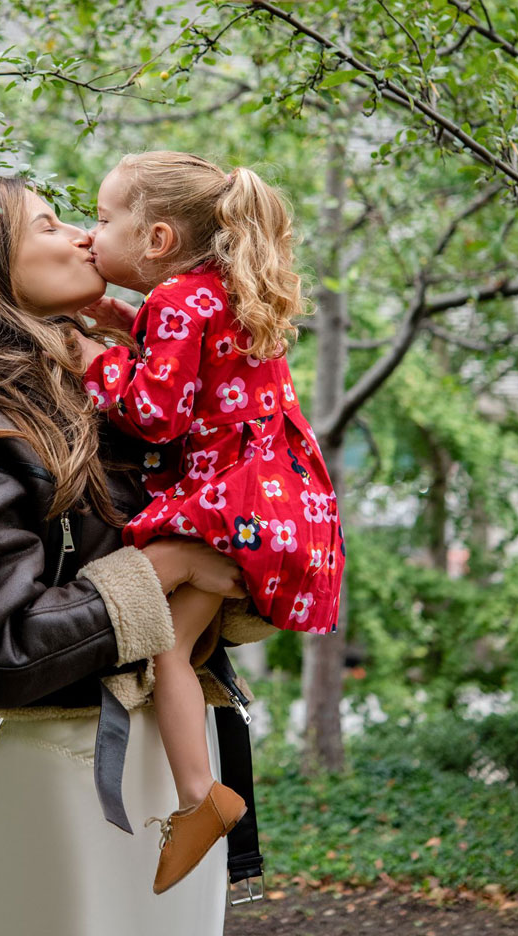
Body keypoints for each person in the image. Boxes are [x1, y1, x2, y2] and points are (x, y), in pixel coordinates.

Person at [0, 177, 275, 936]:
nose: (85, 238)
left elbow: (203, 571)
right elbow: (4, 648)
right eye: (50, 226)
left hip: (180, 752)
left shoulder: (108, 397)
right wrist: (164, 567)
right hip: (75, 760)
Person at [75, 151, 345, 895]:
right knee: (176, 653)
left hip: (223, 501)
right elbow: (199, 371)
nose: (91, 234)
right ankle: (206, 807)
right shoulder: (221, 291)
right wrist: (121, 321)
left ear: (156, 238)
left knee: (147, 621)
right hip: (275, 500)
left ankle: (201, 801)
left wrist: (89, 355)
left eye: (102, 219)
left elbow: (157, 415)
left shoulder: (174, 305)